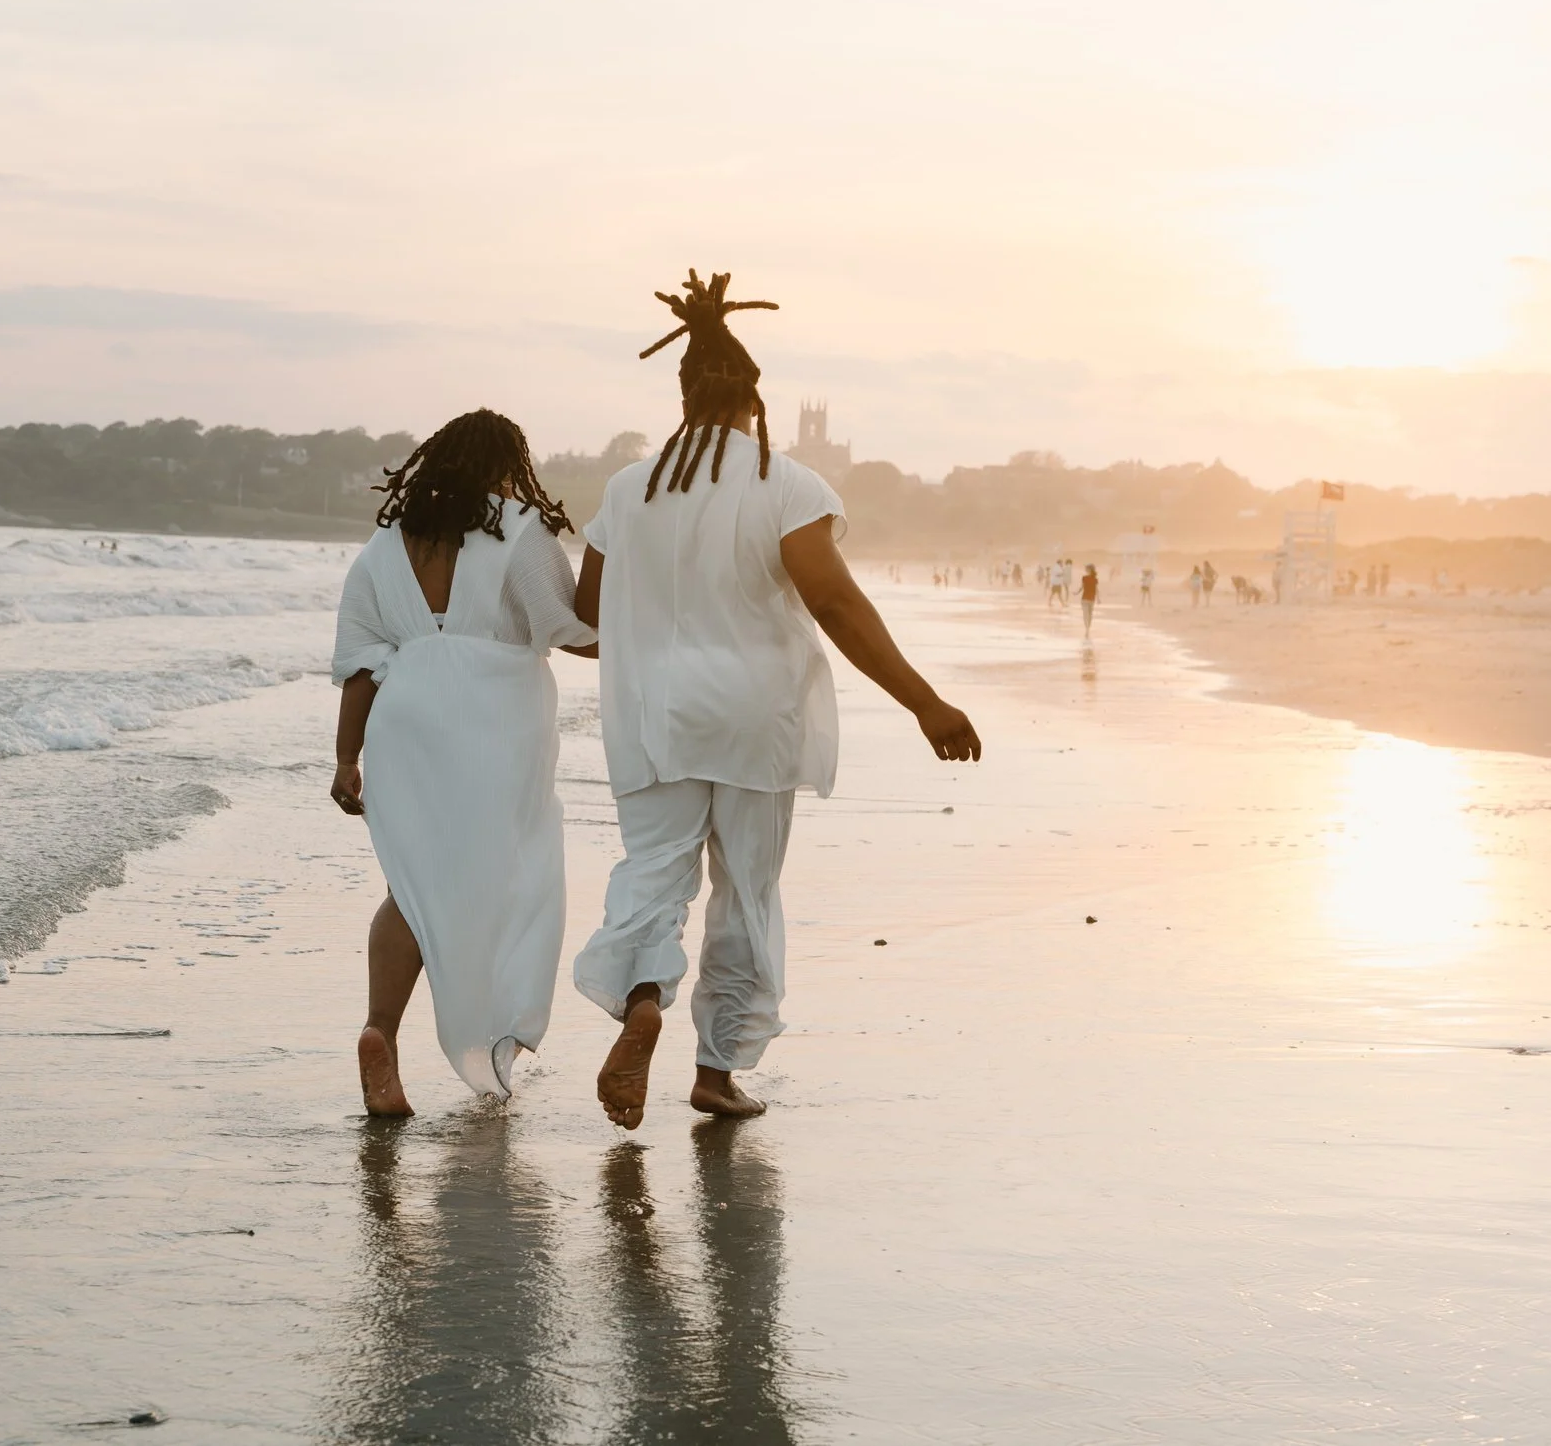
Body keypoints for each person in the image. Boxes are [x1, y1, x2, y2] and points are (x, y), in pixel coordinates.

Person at [569, 270, 981, 1129]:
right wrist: (924, 702)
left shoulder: (625, 489)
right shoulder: (784, 483)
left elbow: (589, 617)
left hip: (651, 719)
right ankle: (715, 1070)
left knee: (653, 873)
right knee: (746, 889)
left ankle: (643, 997)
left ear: (682, 396)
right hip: (755, 719)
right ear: (754, 402)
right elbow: (833, 603)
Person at [331, 408, 598, 1117]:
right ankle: (496, 1044)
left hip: (406, 719)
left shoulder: (386, 546)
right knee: (517, 877)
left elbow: (360, 661)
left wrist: (344, 757)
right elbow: (571, 630)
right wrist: (657, 626)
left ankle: (379, 1031)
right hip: (496, 719)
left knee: (413, 887)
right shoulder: (519, 527)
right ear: (508, 464)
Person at [1079, 562, 1099, 635]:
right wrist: (1077, 592)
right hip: (1088, 598)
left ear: (1089, 569)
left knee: (1087, 614)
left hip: (1087, 598)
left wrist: (1098, 598)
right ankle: (1087, 628)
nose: (1085, 570)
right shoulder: (1087, 578)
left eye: (1086, 568)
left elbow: (1096, 589)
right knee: (1088, 614)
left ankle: (1087, 628)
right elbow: (1082, 587)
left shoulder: (1091, 578)